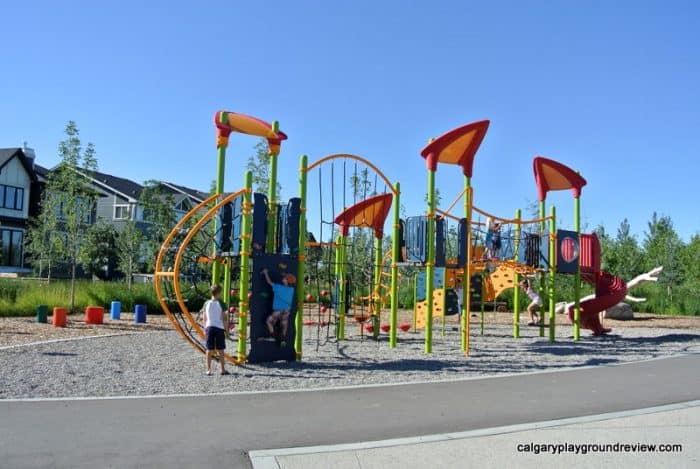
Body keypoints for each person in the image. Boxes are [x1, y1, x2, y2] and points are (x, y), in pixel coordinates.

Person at [261, 268, 296, 347]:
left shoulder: (279, 288)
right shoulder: (291, 290)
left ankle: (272, 336)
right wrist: (284, 274)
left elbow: (269, 282)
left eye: (284, 279)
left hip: (278, 310)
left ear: (286, 281)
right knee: (284, 324)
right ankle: (283, 338)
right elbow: (289, 279)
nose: (283, 279)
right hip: (287, 310)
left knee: (269, 321)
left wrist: (266, 273)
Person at [203, 284, 230, 375]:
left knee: (208, 349)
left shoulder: (206, 303)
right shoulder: (222, 303)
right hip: (219, 327)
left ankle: (208, 370)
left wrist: (204, 328)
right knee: (221, 349)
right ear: (219, 293)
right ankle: (222, 369)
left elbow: (205, 317)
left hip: (209, 327)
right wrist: (226, 330)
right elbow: (224, 318)